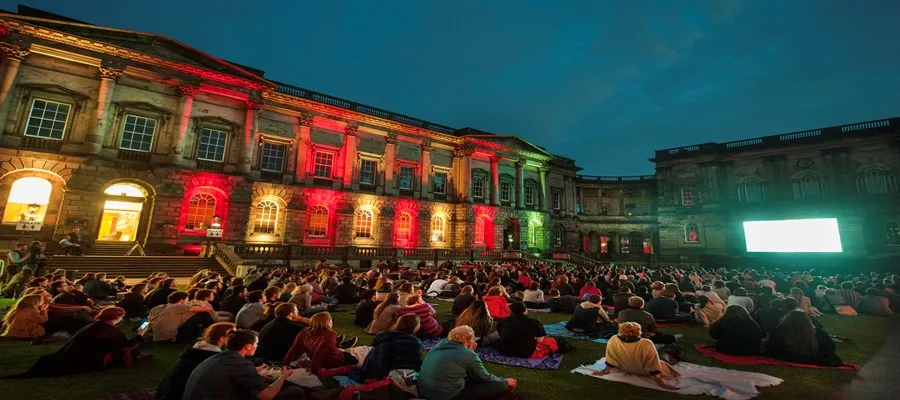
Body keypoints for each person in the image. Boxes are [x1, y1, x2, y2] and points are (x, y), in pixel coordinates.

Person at [15, 306, 148, 377]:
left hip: (75, 354)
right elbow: (125, 345)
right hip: (88, 360)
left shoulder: (92, 326)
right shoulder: (110, 330)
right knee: (133, 352)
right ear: (116, 318)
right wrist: (140, 334)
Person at [183, 329, 300, 400]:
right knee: (295, 391)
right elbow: (266, 396)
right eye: (256, 343)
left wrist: (254, 370)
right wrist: (283, 376)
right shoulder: (241, 364)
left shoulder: (217, 358)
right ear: (248, 346)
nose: (257, 346)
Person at [418, 325, 517, 400]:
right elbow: (484, 377)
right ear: (468, 341)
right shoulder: (467, 354)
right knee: (499, 385)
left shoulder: (437, 346)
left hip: (423, 390)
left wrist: (471, 352)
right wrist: (505, 382)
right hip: (446, 395)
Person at [155, 322, 237, 400]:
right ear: (222, 338)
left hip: (164, 393)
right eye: (233, 337)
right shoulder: (212, 358)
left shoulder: (196, 350)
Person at [592, 322, 679, 391]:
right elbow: (653, 364)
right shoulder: (646, 343)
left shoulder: (613, 338)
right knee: (666, 357)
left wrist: (604, 371)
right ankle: (672, 357)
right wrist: (660, 382)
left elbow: (611, 357)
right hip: (645, 372)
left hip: (623, 368)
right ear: (639, 332)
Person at [283, 312, 359, 373]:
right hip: (333, 361)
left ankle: (340, 345)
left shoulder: (304, 331)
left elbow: (293, 349)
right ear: (328, 322)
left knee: (340, 351)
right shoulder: (330, 334)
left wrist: (285, 363)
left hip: (318, 358)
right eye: (331, 320)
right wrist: (314, 372)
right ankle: (342, 346)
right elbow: (318, 354)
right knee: (353, 359)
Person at [766, 310, 843, 366]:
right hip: (811, 357)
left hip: (787, 356)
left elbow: (771, 347)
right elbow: (831, 348)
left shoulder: (778, 331)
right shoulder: (819, 333)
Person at [359, 314, 424, 381]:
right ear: (415, 326)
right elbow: (416, 365)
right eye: (419, 323)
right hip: (385, 378)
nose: (420, 325)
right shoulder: (413, 342)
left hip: (369, 373)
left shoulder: (384, 336)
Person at [148, 292, 214, 343]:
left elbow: (147, 322)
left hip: (156, 338)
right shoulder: (178, 306)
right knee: (202, 313)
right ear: (181, 300)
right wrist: (200, 303)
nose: (188, 301)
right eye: (187, 300)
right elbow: (207, 309)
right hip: (171, 338)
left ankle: (206, 332)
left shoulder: (157, 307)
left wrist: (140, 332)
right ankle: (212, 333)